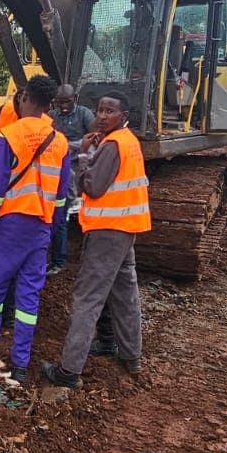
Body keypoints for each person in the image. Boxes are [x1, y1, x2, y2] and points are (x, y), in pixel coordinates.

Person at [42, 92, 151, 388]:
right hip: (125, 228)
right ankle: (131, 355)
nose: (102, 116)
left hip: (107, 231)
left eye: (109, 111)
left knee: (87, 297)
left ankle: (69, 370)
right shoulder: (128, 141)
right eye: (100, 110)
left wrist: (84, 157)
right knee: (125, 292)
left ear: (123, 115)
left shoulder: (112, 145)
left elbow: (93, 187)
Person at [0, 76, 71, 383]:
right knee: (28, 298)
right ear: (50, 104)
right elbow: (62, 196)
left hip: (9, 225)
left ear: (24, 97)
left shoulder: (9, 135)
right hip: (40, 227)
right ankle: (20, 365)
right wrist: (51, 230)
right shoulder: (60, 141)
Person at [47, 85, 96, 273]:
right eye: (60, 102)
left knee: (62, 215)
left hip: (77, 163)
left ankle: (59, 259)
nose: (64, 106)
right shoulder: (52, 116)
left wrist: (68, 145)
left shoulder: (84, 114)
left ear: (74, 98)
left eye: (67, 102)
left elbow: (93, 138)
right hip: (57, 165)